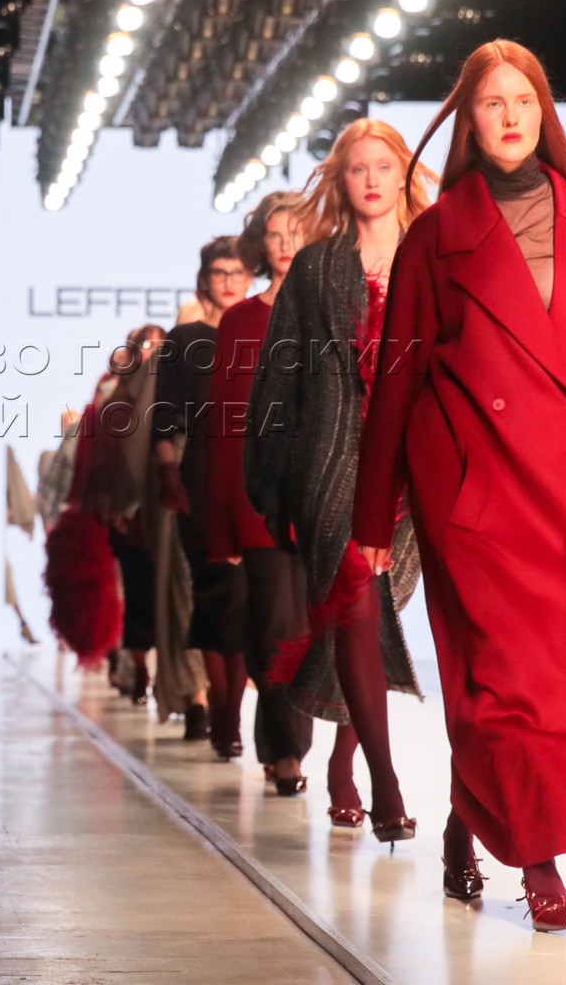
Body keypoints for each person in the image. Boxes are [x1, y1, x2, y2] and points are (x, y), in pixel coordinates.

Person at [354, 39, 566, 931]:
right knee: (501, 685)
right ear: (469, 121)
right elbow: (397, 382)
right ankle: (537, 861)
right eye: (492, 103)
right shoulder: (434, 237)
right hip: (474, 488)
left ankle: (466, 821)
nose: (510, 116)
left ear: (544, 113)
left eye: (523, 100)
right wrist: (373, 517)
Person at [246, 120, 433, 841]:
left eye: (384, 165)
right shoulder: (317, 267)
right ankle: (386, 783)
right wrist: (271, 480)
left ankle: (344, 759)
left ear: (403, 173)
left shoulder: (432, 255)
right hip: (331, 462)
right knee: (355, 604)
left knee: (378, 610)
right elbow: (279, 375)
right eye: (358, 168)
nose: (372, 179)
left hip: (415, 467)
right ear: (340, 180)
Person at [204, 192, 315, 790]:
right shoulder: (242, 321)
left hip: (320, 490)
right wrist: (223, 520)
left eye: (295, 231)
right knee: (274, 628)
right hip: (259, 498)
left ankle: (284, 746)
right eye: (274, 234)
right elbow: (225, 424)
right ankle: (287, 750)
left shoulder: (330, 309)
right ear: (260, 244)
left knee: (308, 628)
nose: (285, 243)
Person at [154, 236, 248, 751]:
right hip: (200, 476)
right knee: (213, 596)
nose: (230, 281)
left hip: (254, 478)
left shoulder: (266, 331)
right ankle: (224, 712)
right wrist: (169, 474)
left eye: (238, 272)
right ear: (204, 281)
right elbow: (164, 417)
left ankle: (230, 714)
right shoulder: (185, 340)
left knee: (248, 599)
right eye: (220, 273)